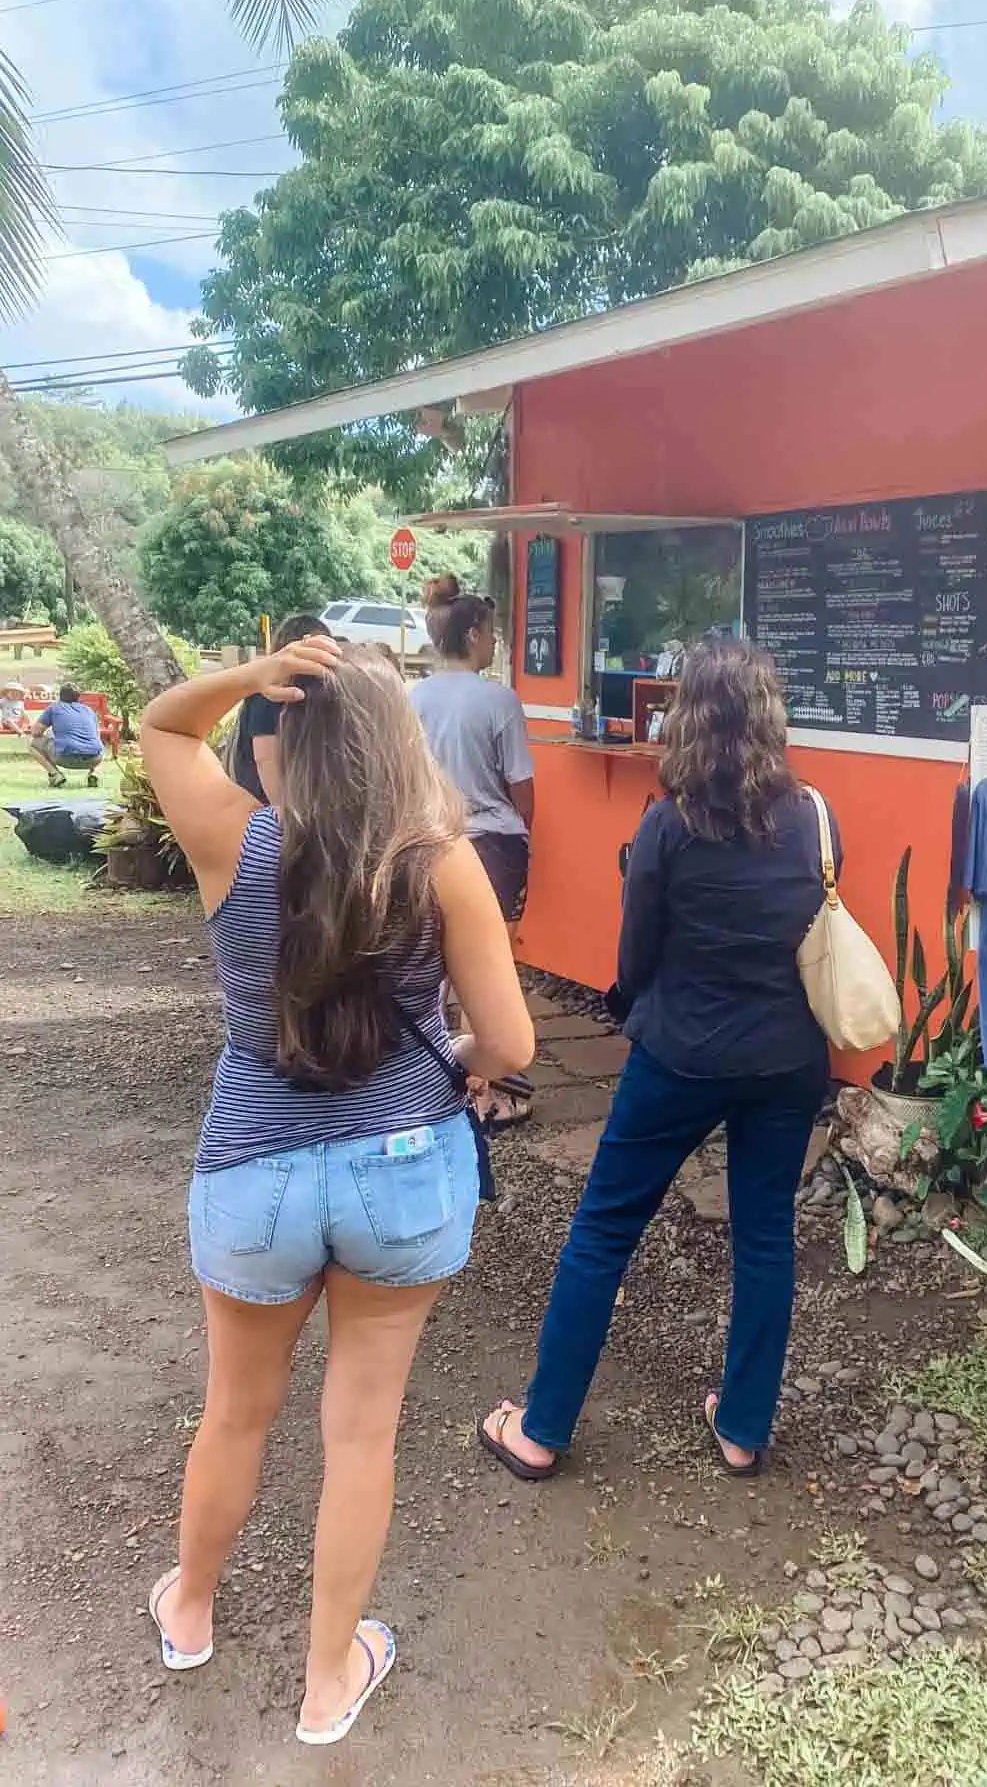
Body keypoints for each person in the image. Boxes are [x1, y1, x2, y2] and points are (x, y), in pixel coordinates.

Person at [139, 639, 534, 1745]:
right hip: (402, 1172)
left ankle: (191, 1609)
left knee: (235, 1411)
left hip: (252, 1173)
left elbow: (162, 726)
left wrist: (246, 673)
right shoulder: (441, 858)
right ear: (394, 739)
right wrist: (455, 1057)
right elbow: (507, 1040)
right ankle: (327, 1680)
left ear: (285, 742)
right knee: (360, 1434)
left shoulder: (233, 837)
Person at [479, 637, 835, 1482]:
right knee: (765, 1237)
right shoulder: (815, 815)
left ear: (689, 719)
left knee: (604, 1228)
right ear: (769, 717)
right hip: (787, 1060)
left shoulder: (668, 823)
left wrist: (631, 1009)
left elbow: (635, 956)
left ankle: (541, 1429)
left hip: (681, 1053)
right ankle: (743, 1430)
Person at [411, 592, 535, 1118]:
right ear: (471, 636)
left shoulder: (411, 697)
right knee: (488, 970)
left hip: (425, 840)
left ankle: (421, 1079)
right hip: (490, 843)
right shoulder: (498, 701)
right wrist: (525, 835)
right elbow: (521, 786)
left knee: (426, 962)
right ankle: (486, 1097)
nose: (494, 640)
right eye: (488, 631)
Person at [226, 613, 333, 805]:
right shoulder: (270, 694)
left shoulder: (303, 691)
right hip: (262, 808)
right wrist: (285, 817)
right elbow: (266, 760)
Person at [30, 683, 104, 788]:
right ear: (79, 696)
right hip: (95, 758)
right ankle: (94, 773)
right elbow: (97, 735)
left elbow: (35, 732)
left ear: (60, 695)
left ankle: (55, 775)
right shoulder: (89, 710)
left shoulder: (54, 708)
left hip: (64, 757)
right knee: (98, 744)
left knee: (32, 743)